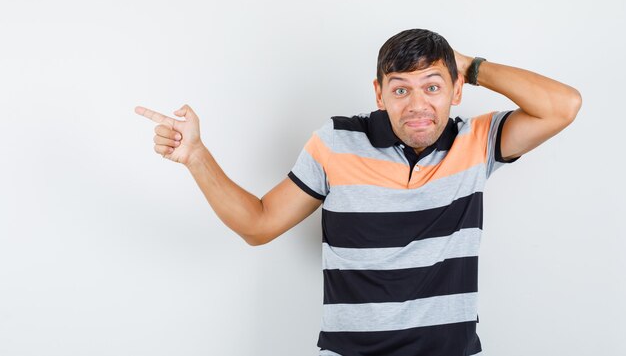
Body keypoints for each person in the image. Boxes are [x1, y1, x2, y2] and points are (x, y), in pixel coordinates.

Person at [135, 28, 582, 356]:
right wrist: (196, 156)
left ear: (456, 91)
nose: (418, 104)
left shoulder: (476, 142)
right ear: (379, 93)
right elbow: (258, 225)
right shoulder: (335, 142)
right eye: (400, 89)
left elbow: (563, 106)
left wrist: (471, 65)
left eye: (433, 86)